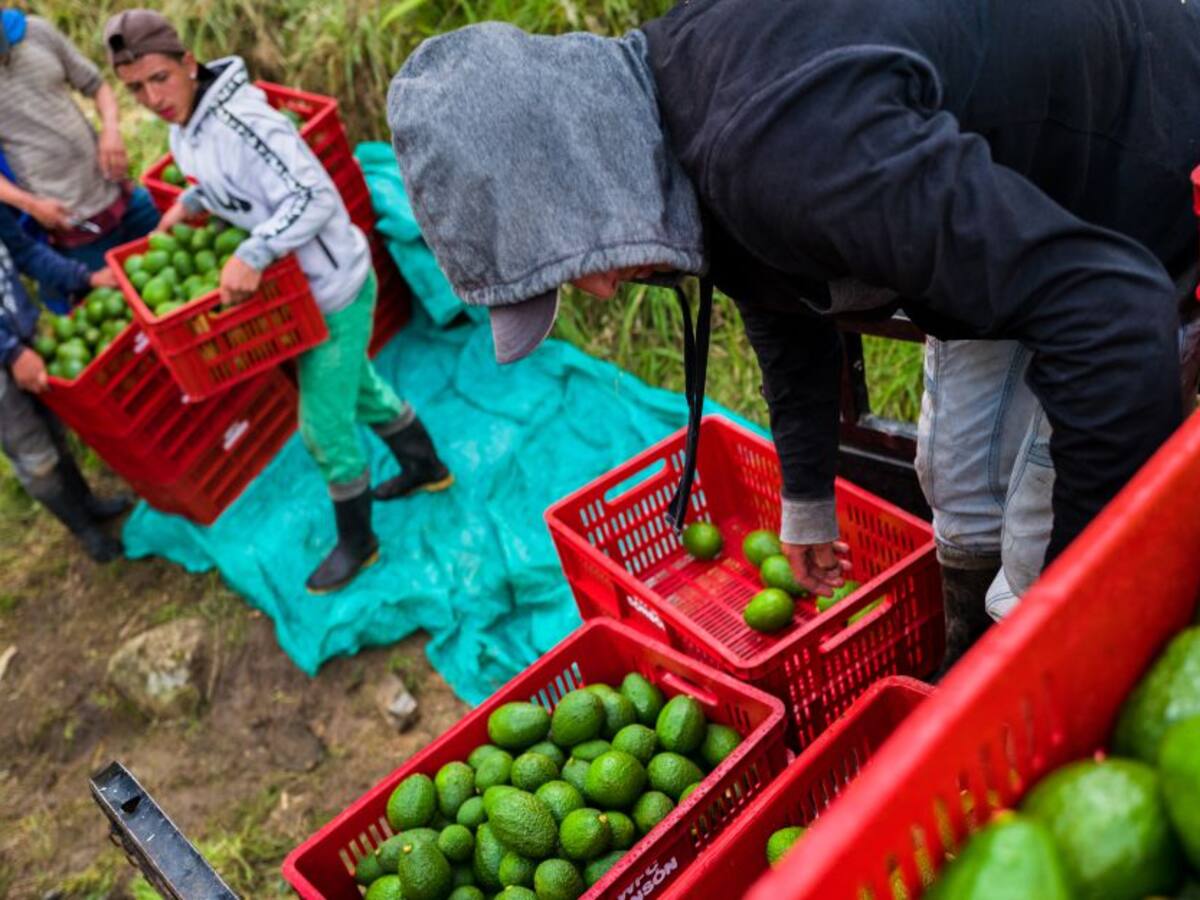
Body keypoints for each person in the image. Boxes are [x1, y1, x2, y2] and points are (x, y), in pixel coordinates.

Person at [386, 0, 1198, 669]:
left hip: (1143, 163)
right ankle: (971, 650)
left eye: (570, 261)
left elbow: (1115, 318)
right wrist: (805, 495)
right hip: (1012, 197)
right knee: (955, 476)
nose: (596, 288)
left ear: (584, 170)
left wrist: (1075, 621)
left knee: (1036, 565)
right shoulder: (678, 94)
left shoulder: (784, 148)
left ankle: (1010, 658)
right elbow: (773, 283)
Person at [103, 9, 453, 593]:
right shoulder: (185, 126)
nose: (151, 97)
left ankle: (358, 542)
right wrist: (193, 203)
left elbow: (314, 195)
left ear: (189, 64)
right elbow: (226, 182)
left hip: (333, 287)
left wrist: (257, 251)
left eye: (159, 78)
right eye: (135, 87)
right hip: (297, 295)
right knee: (359, 389)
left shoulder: (247, 123)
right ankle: (425, 466)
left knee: (323, 427)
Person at [0, 8, 158, 312]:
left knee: (172, 253)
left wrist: (111, 131)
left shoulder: (37, 33)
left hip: (116, 192)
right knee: (121, 309)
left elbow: (97, 87)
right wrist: (30, 204)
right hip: (71, 220)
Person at [0, 205, 129, 561]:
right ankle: (84, 530)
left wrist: (84, 278)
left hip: (22, 334)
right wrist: (10, 353)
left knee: (54, 429)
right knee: (33, 451)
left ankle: (86, 502)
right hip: (8, 352)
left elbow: (24, 251)